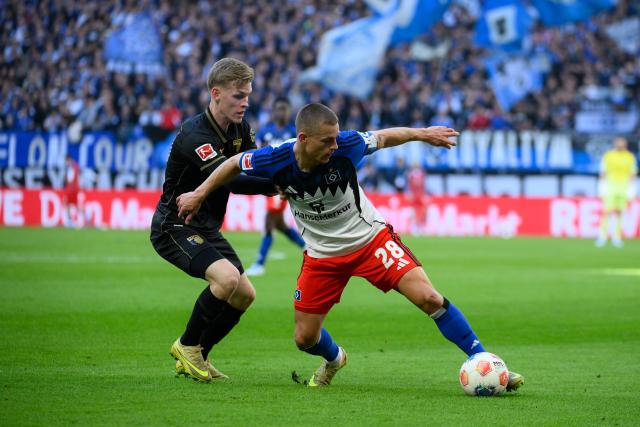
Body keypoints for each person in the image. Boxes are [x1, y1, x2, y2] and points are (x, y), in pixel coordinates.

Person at [176, 103, 525, 389]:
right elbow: (234, 163)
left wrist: (423, 134)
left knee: (430, 298)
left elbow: (386, 137)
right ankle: (335, 359)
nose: (335, 146)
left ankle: (485, 361)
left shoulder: (349, 145)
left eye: (335, 138)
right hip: (322, 257)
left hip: (371, 241)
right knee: (304, 339)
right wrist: (199, 193)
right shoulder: (276, 159)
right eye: (327, 141)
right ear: (303, 139)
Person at [149, 58, 277, 382]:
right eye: (238, 95)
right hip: (174, 225)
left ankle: (199, 357)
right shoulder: (196, 135)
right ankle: (188, 345)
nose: (245, 102)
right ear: (216, 93)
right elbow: (233, 180)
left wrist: (286, 171)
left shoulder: (241, 130)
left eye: (247, 94)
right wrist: (280, 185)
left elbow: (255, 166)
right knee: (226, 280)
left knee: (245, 294)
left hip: (205, 227)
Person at [245, 97, 305, 276]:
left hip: (284, 183)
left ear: (289, 112)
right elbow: (258, 152)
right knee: (280, 225)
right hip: (269, 182)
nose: (282, 112)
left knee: (269, 222)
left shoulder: (293, 133)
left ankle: (259, 263)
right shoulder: (265, 132)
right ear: (274, 112)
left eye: (284, 109)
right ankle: (306, 246)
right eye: (279, 109)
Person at [596, 137, 638, 248]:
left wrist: (632, 189)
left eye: (622, 143)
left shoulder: (629, 157)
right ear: (615, 143)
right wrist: (601, 188)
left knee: (620, 212)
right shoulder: (608, 156)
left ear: (625, 144)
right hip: (610, 187)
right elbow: (603, 172)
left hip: (623, 188)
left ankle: (617, 236)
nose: (620, 145)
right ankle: (602, 236)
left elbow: (632, 174)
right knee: (607, 211)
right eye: (618, 143)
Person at [407, 161, 428, 235]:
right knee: (413, 211)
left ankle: (421, 227)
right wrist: (409, 193)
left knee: (423, 211)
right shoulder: (411, 175)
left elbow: (423, 185)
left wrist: (425, 194)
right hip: (414, 195)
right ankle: (414, 227)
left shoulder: (422, 174)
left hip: (421, 194)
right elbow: (409, 185)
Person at [63, 154, 83, 228]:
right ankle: (70, 221)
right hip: (71, 188)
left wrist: (71, 186)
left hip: (72, 189)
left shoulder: (74, 167)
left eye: (67, 161)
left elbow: (72, 179)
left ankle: (70, 221)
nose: (66, 163)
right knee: (68, 204)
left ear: (69, 160)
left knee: (68, 204)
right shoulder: (72, 167)